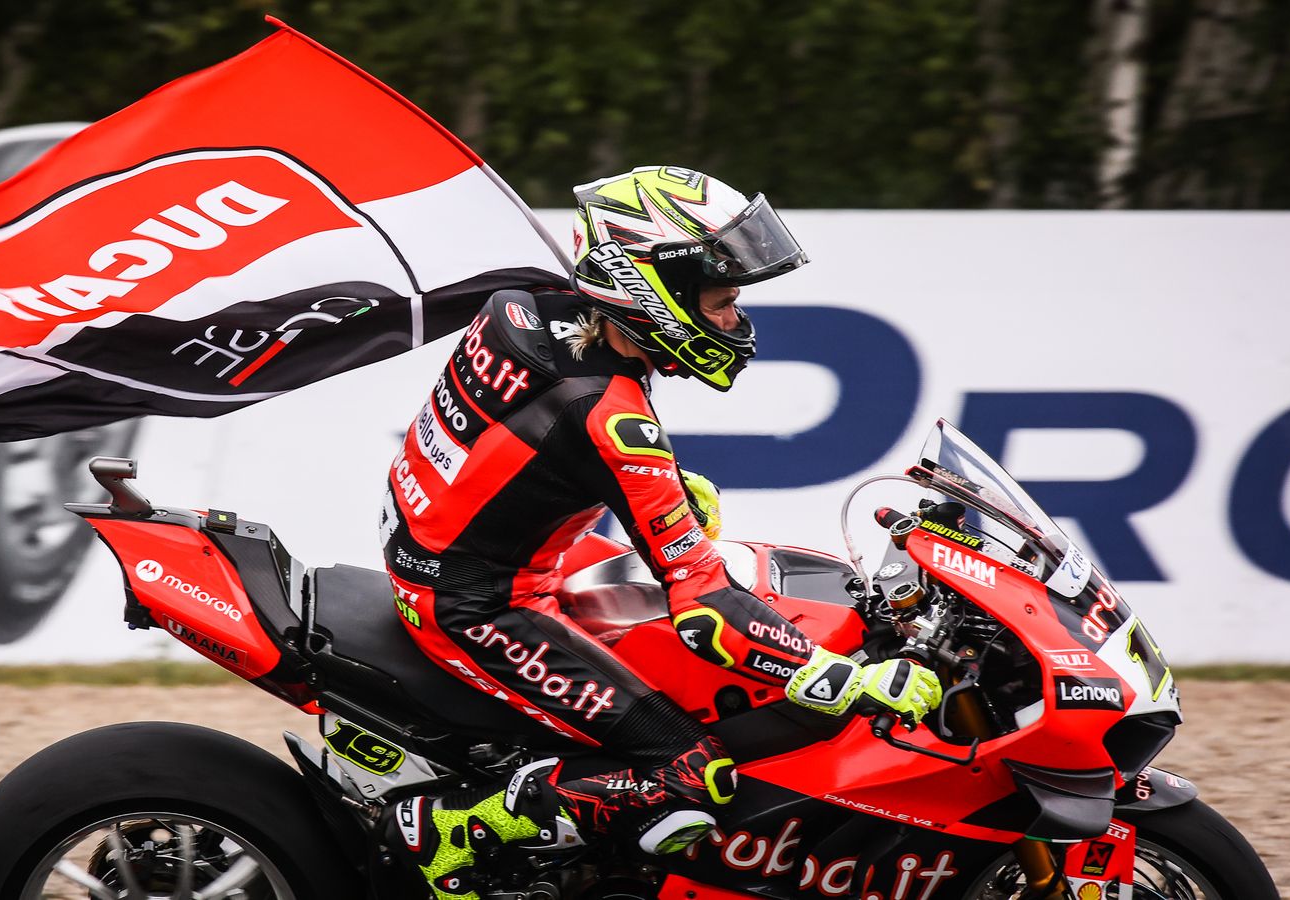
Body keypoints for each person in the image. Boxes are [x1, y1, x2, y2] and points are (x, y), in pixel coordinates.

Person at [379, 166, 942, 900]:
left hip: (462, 539)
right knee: (689, 773)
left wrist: (658, 494)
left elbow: (523, 448)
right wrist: (836, 678)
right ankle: (454, 824)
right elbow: (707, 611)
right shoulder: (612, 418)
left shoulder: (524, 308)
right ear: (653, 290)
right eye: (724, 302)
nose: (738, 323)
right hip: (476, 600)